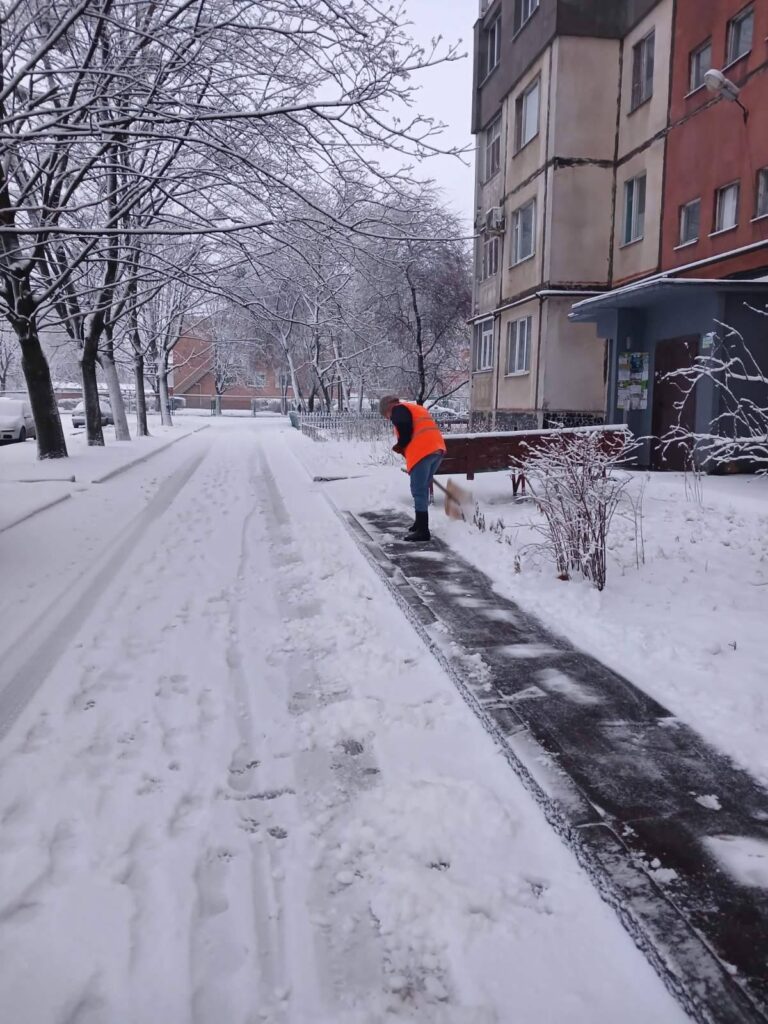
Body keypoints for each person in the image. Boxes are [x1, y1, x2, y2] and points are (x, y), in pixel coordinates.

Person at [379, 395, 446, 542]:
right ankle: (419, 523)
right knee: (422, 488)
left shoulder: (398, 409)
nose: (389, 419)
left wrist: (401, 444)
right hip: (437, 450)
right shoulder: (416, 408)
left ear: (388, 408)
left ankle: (423, 531)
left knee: (418, 490)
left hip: (423, 451)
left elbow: (404, 426)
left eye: (386, 416)